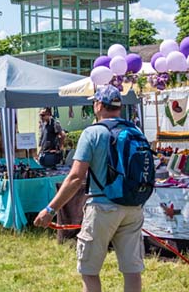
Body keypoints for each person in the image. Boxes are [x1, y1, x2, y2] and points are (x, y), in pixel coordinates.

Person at [34, 86, 144, 292]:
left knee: (89, 271)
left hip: (102, 206)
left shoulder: (92, 133)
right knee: (132, 270)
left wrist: (50, 210)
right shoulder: (134, 131)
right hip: (133, 206)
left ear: (100, 105)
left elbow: (75, 177)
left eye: (94, 102)